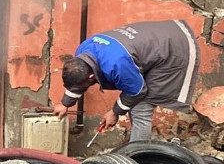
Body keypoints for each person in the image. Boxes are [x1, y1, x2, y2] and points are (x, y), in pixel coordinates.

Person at [53, 20, 199, 141]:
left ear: (91, 77)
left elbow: (137, 91)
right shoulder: (82, 52)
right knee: (135, 103)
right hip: (159, 37)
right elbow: (77, 83)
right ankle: (137, 153)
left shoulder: (116, 64)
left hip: (175, 48)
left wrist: (115, 112)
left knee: (141, 107)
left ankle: (136, 161)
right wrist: (65, 104)